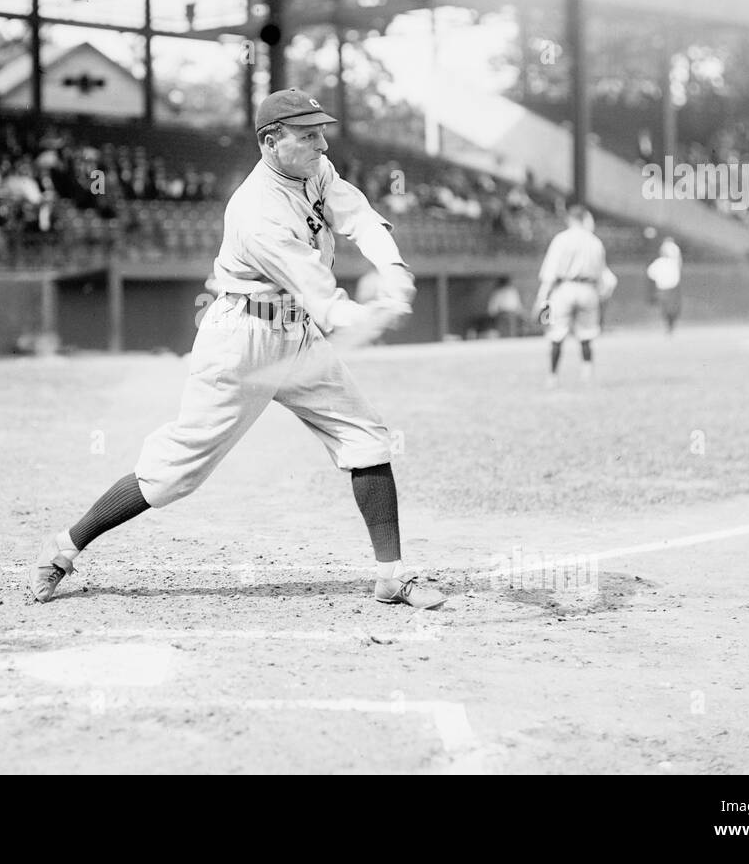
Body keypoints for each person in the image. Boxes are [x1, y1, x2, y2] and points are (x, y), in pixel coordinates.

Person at [32, 89, 445, 609]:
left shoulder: (313, 169)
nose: (321, 143)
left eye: (321, 132)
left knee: (366, 437)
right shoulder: (255, 211)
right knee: (174, 472)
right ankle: (64, 548)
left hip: (295, 336)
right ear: (271, 143)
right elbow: (317, 291)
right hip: (242, 341)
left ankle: (390, 576)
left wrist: (394, 267)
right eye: (308, 135)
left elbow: (358, 215)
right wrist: (371, 316)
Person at [532, 204, 609, 387]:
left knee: (556, 334)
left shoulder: (561, 239)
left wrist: (541, 299)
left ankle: (552, 377)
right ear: (584, 219)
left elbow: (550, 273)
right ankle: (586, 374)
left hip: (563, 288)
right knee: (586, 334)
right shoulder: (594, 241)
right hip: (588, 289)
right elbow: (603, 275)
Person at [646, 237, 683, 335]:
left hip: (669, 288)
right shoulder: (659, 262)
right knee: (666, 309)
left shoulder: (671, 263)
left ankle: (670, 327)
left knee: (670, 309)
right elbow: (651, 274)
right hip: (664, 288)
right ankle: (669, 327)